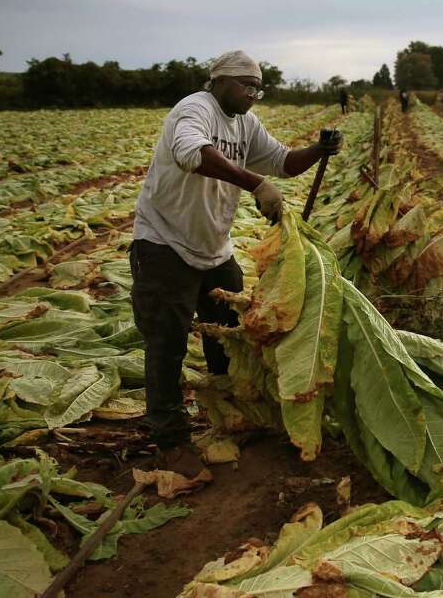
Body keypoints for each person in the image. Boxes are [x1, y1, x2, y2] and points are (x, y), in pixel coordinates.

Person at [131, 50, 342, 467]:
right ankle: (170, 438)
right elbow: (193, 154)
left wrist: (318, 149)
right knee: (167, 343)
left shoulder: (246, 123)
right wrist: (254, 183)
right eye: (246, 86)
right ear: (221, 81)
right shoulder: (195, 110)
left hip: (213, 249)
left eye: (258, 89)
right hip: (164, 244)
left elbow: (283, 162)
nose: (252, 95)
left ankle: (231, 412)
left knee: (231, 338)